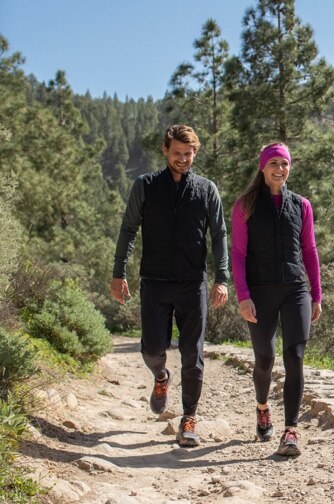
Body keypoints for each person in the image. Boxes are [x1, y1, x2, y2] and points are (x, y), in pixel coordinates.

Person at [110, 124, 229, 447]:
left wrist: (222, 278)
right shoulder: (145, 186)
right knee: (151, 349)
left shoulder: (206, 189)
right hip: (155, 281)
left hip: (193, 284)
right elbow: (128, 230)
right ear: (165, 151)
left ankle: (188, 418)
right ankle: (161, 377)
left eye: (188, 154)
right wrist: (118, 272)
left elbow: (218, 235)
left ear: (196, 152)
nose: (182, 159)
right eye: (176, 153)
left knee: (193, 354)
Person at [231, 142, 322, 457]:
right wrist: (243, 296)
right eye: (274, 164)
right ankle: (262, 406)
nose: (280, 170)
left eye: (284, 164)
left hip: (295, 289)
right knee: (265, 359)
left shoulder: (302, 205)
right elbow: (238, 254)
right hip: (259, 292)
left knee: (294, 357)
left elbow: (309, 251)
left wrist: (316, 294)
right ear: (263, 167)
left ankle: (291, 430)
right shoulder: (246, 205)